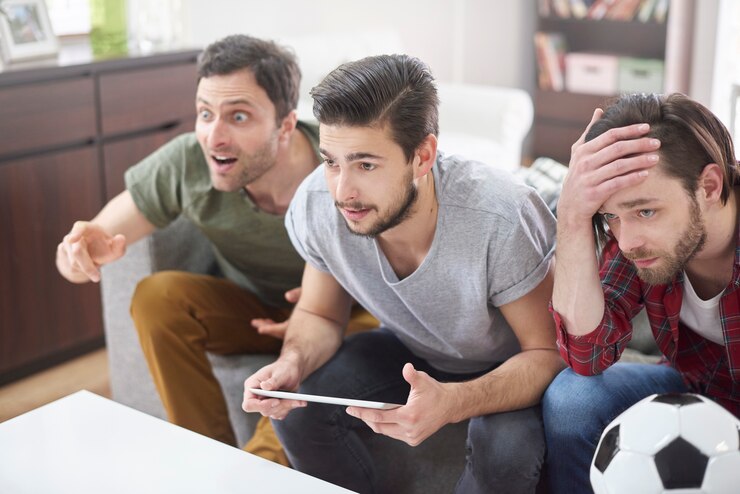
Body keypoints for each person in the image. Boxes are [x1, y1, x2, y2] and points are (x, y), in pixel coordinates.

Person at [242, 54, 564, 494]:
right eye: (332, 161)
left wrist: (454, 403)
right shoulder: (318, 202)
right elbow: (319, 315)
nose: (342, 191)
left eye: (366, 165)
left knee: (505, 453)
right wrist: (290, 364)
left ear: (423, 155)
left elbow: (548, 352)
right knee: (302, 410)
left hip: (506, 365)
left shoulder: (500, 217)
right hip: (411, 350)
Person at [55, 34, 376, 465]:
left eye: (238, 116)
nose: (214, 136)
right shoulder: (188, 162)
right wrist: (78, 253)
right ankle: (208, 460)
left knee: (357, 337)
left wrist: (318, 313)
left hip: (342, 316)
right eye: (205, 114)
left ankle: (259, 471)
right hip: (253, 313)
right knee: (157, 297)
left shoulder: (339, 171)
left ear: (285, 126)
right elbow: (83, 254)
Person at [543, 92, 740, 493]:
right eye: (611, 217)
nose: (627, 240)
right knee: (571, 401)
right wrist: (572, 213)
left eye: (645, 211)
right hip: (694, 384)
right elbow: (588, 354)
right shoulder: (636, 241)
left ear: (709, 185)